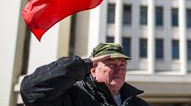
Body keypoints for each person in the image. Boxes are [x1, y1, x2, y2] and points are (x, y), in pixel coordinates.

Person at [20, 42, 149, 106]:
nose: (119, 70)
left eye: (122, 65)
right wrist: (83, 64)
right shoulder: (73, 95)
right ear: (93, 70)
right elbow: (31, 92)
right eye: (111, 64)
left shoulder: (137, 103)